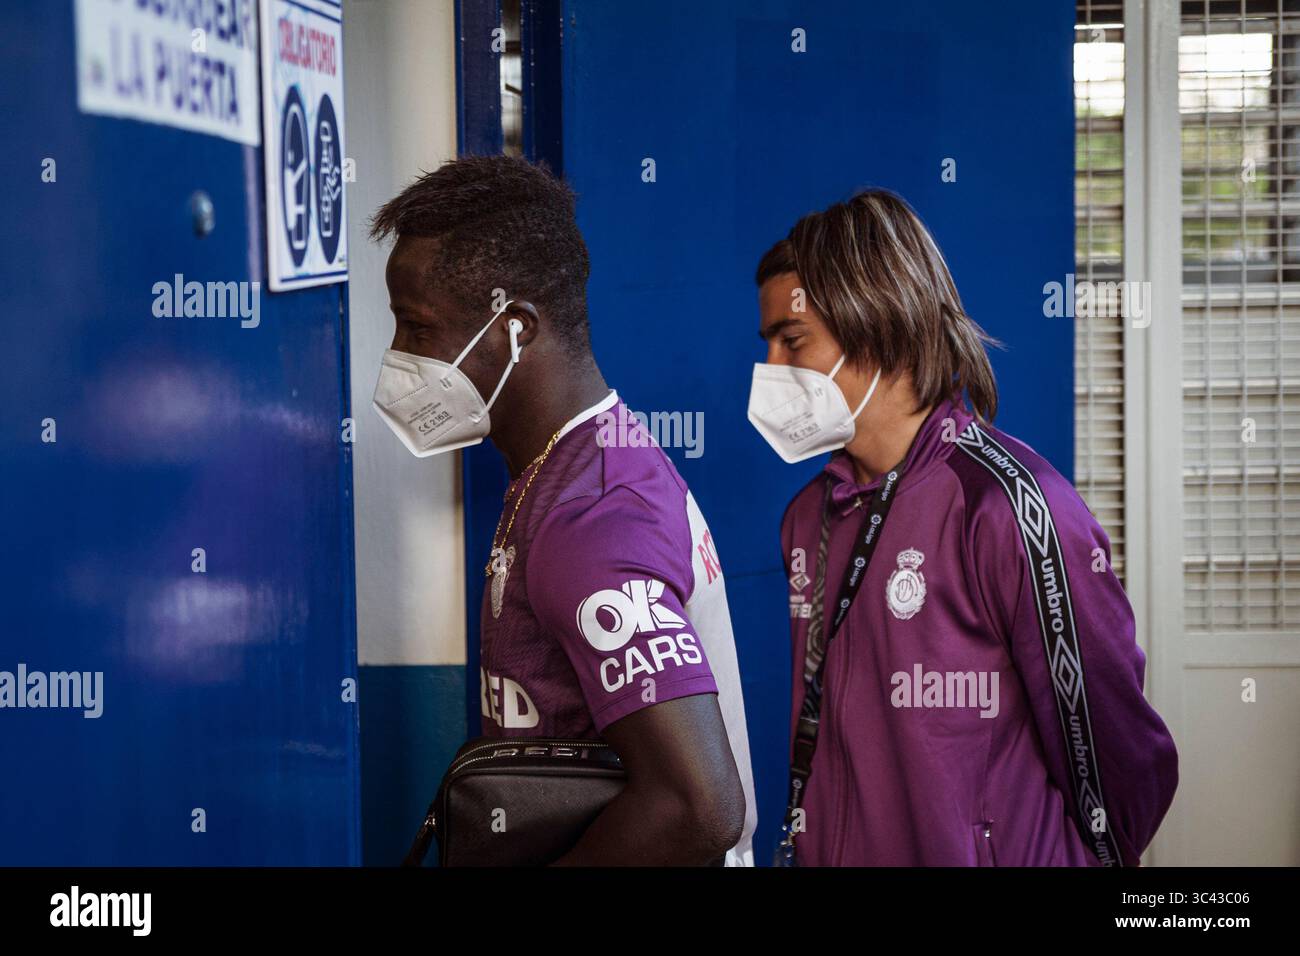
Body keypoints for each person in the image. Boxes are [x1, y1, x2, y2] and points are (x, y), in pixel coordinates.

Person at [748, 189, 1178, 866]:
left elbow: (1123, 766)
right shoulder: (810, 519)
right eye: (768, 340)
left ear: (874, 320)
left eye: (792, 339)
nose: (771, 367)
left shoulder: (1011, 507)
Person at [368, 155, 756, 865]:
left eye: (417, 329)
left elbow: (698, 806)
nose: (398, 357)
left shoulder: (593, 516)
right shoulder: (570, 468)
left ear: (514, 330)